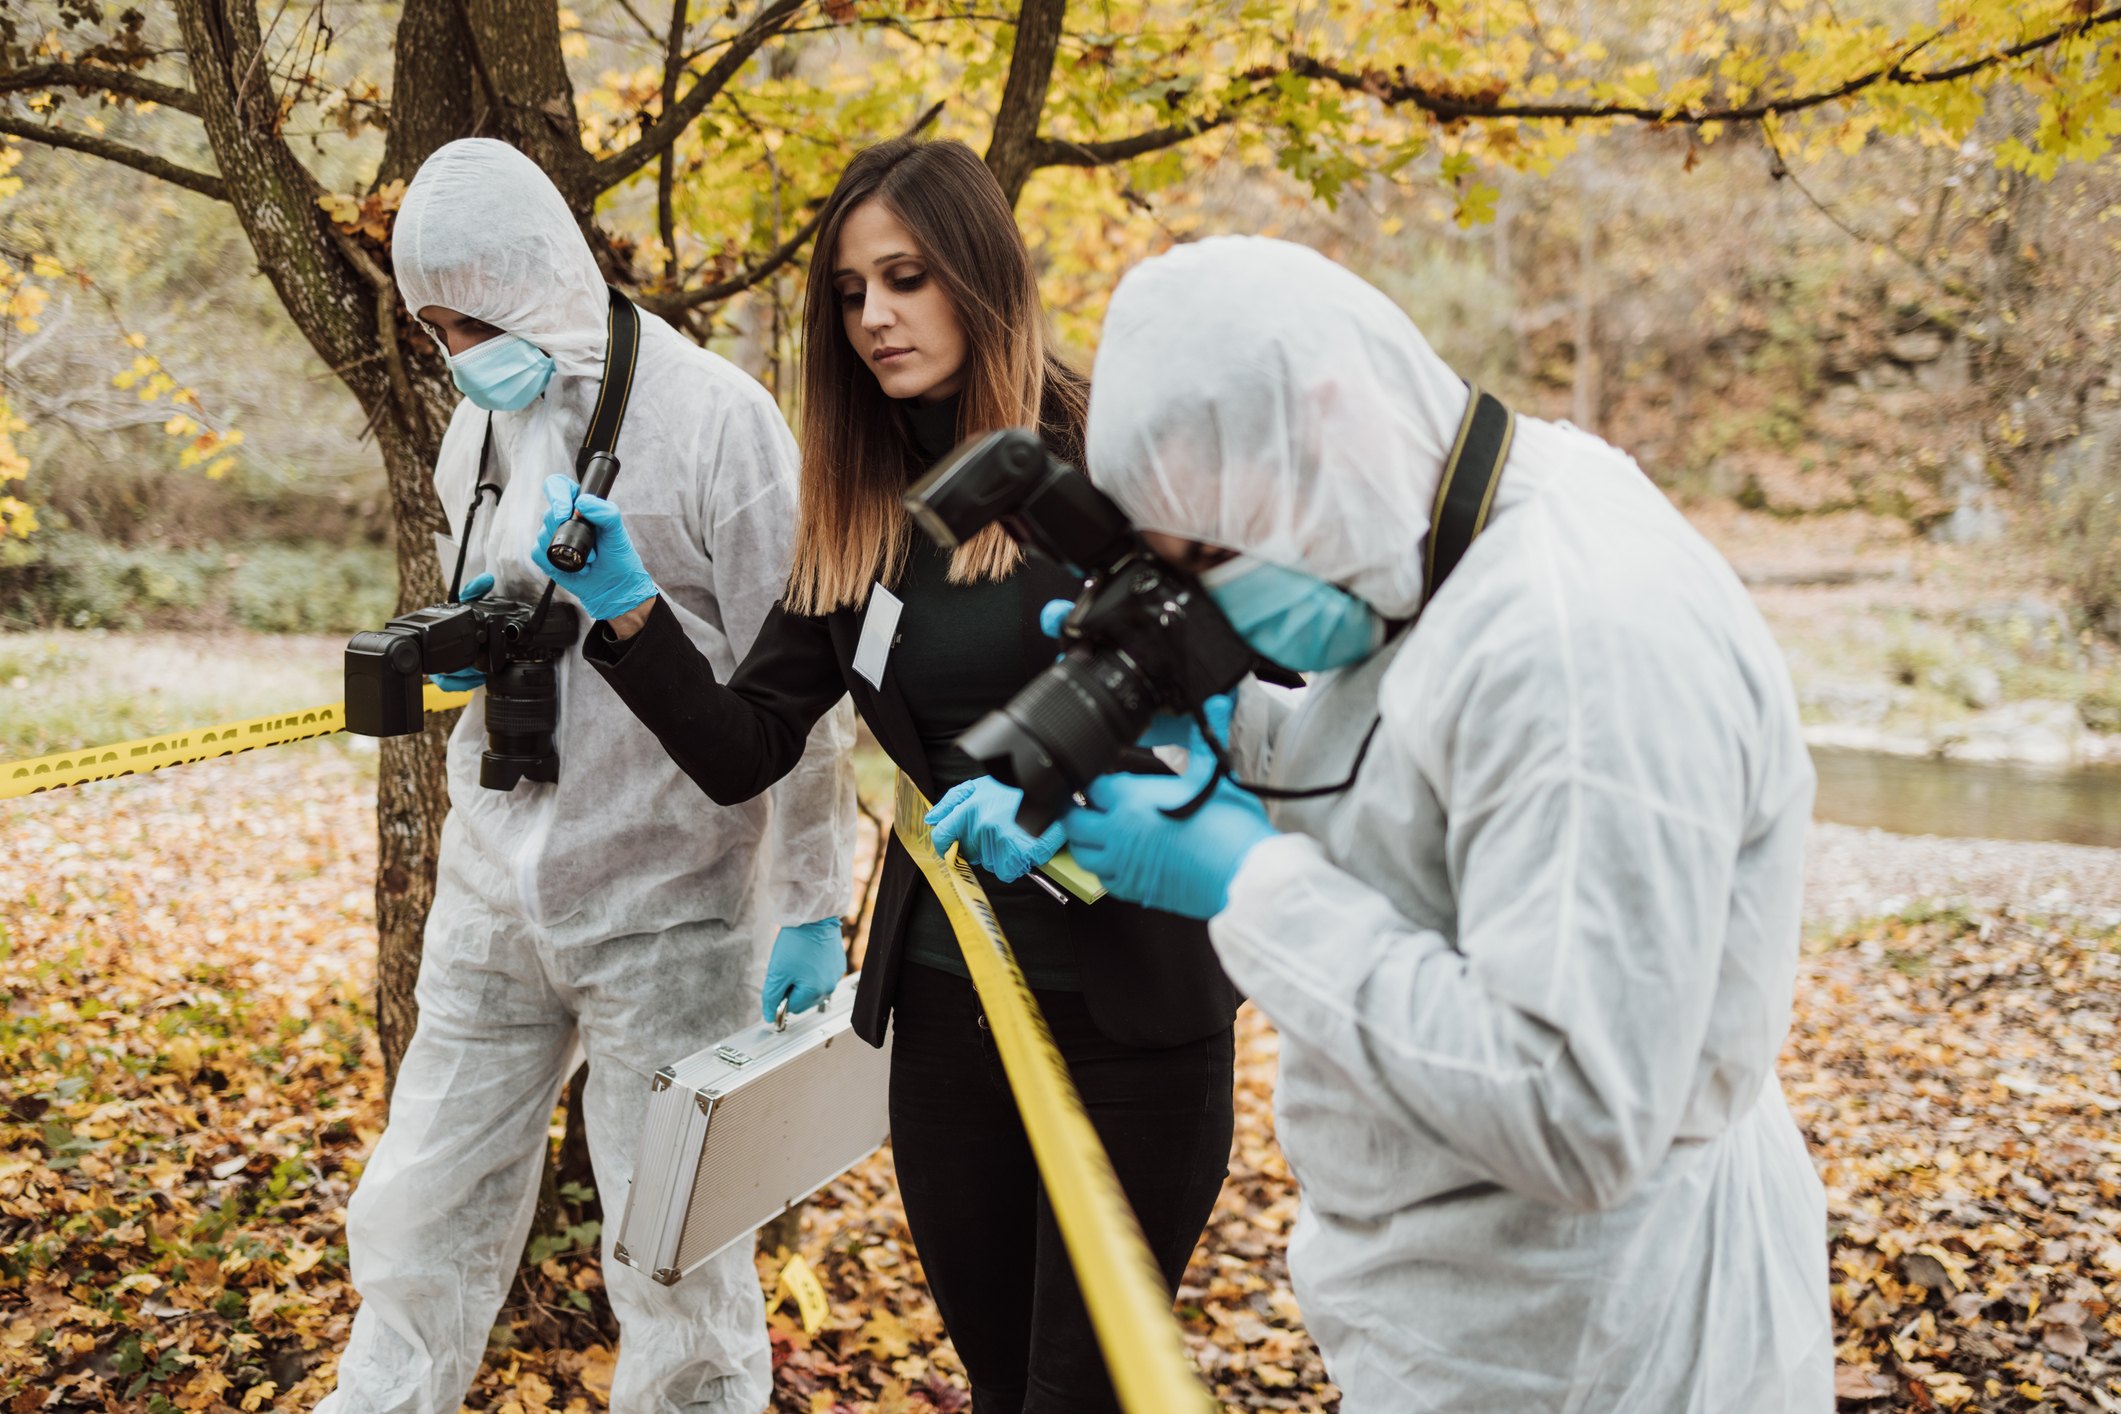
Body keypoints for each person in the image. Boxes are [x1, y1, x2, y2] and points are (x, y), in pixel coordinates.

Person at [1053, 237, 1833, 1412]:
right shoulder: (1440, 534)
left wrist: (1249, 883)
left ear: (1331, 420)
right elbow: (1432, 782)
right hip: (1480, 1306)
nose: (1216, 596)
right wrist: (1237, 729)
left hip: (1597, 1342)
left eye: (1213, 552)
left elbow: (1575, 1106)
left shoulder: (1582, 640)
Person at [535, 137, 1240, 1414]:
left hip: (1134, 1014)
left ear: (980, 274)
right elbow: (746, 745)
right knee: (997, 1382)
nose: (874, 318)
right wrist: (628, 607)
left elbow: (1243, 684)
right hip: (948, 1006)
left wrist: (1090, 788)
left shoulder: (1112, 456)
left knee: (1083, 1395)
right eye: (852, 292)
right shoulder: (864, 509)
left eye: (907, 278)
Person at [319, 139, 856, 1414]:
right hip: (494, 888)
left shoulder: (720, 420)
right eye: (435, 328)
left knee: (676, 1256)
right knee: (419, 1210)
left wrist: (812, 897)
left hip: (672, 907)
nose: (457, 352)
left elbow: (806, 689)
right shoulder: (479, 429)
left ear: (538, 277)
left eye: (471, 321)